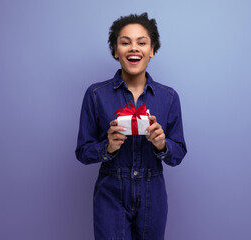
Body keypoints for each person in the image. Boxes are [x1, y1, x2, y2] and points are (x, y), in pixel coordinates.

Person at [75, 12, 187, 240]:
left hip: (152, 192)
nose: (133, 48)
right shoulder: (96, 94)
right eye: (125, 42)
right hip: (110, 191)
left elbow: (179, 153)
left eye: (142, 42)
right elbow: (82, 152)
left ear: (152, 50)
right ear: (116, 51)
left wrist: (161, 144)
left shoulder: (169, 97)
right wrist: (107, 147)